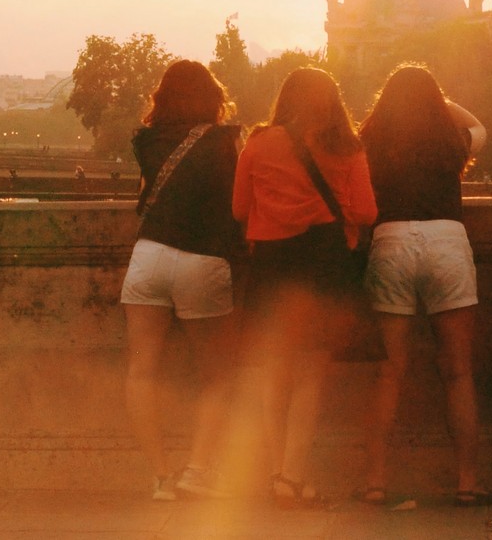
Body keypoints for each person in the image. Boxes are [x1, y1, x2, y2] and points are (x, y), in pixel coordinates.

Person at [232, 67, 376, 507]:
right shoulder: (348, 148)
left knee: (274, 373)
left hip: (274, 266)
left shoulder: (258, 143)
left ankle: (280, 474)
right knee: (310, 378)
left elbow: (239, 209)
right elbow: (368, 212)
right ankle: (293, 478)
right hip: (324, 266)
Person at [355, 64, 491, 506]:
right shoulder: (452, 141)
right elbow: (479, 126)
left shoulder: (370, 142)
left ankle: (376, 480)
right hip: (447, 240)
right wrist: (439, 102)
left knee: (389, 372)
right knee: (458, 371)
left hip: (390, 238)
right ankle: (467, 483)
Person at [121, 60, 243, 501]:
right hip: (202, 261)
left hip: (148, 259)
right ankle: (197, 469)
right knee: (218, 375)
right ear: (212, 97)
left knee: (141, 371)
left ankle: (159, 477)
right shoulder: (223, 142)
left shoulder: (147, 142)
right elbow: (236, 205)